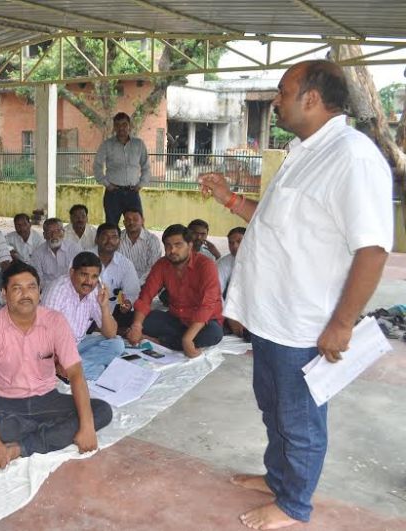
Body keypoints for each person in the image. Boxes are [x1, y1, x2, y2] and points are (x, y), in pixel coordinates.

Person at [199, 60, 392, 530]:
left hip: (304, 324)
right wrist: (228, 198)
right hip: (271, 317)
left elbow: (372, 249)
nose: (276, 101)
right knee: (274, 407)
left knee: (300, 418)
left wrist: (341, 324)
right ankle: (278, 478)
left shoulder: (352, 157)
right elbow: (274, 221)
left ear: (312, 98)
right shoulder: (303, 151)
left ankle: (294, 505)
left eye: (283, 91)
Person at [0, 261, 112, 467]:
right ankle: (55, 431)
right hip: (6, 402)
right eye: (17, 288)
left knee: (102, 411)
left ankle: (22, 447)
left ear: (40, 292)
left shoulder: (55, 321)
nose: (25, 294)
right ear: (4, 294)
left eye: (31, 287)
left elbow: (76, 373)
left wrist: (87, 425)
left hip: (47, 399)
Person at [127, 224, 223, 357]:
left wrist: (187, 339)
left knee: (214, 334)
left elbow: (207, 305)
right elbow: (146, 296)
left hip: (203, 322)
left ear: (190, 245)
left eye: (178, 245)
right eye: (168, 245)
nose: (172, 250)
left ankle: (161, 341)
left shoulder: (206, 265)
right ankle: (174, 340)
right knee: (142, 319)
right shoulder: (162, 264)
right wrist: (137, 326)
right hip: (176, 319)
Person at [42, 252, 123, 380]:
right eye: (84, 275)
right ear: (72, 273)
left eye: (94, 276)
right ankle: (77, 369)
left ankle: (78, 369)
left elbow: (111, 333)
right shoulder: (57, 290)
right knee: (100, 372)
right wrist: (57, 362)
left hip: (78, 345)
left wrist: (104, 306)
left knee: (117, 344)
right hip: (55, 351)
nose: (89, 282)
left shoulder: (94, 291)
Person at [94, 112, 151, 226]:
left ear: (129, 126)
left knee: (137, 226)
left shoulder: (138, 144)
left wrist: (141, 184)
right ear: (114, 127)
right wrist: (107, 184)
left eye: (124, 124)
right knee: (111, 227)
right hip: (113, 194)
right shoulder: (107, 145)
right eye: (118, 125)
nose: (121, 128)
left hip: (132, 193)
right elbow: (97, 166)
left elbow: (146, 166)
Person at [94, 223, 140, 331]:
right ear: (96, 239)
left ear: (119, 242)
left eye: (114, 237)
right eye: (105, 236)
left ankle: (111, 330)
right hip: (87, 309)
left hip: (112, 311)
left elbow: (131, 292)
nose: (109, 241)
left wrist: (127, 303)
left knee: (138, 318)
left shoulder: (125, 264)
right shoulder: (84, 257)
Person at [30, 218, 82, 288]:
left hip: (71, 288)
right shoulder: (37, 254)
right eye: (49, 232)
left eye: (57, 231)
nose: (54, 235)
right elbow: (37, 279)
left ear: (63, 232)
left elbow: (81, 273)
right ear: (44, 235)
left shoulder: (75, 249)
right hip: (48, 290)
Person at [118, 207, 163, 286]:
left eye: (135, 219)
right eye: (128, 219)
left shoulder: (152, 240)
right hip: (121, 284)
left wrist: (137, 284)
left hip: (146, 284)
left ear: (142, 221)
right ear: (124, 222)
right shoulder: (117, 239)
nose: (131, 222)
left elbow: (153, 268)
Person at [216, 227, 247, 339]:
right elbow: (216, 292)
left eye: (239, 241)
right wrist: (230, 317)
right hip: (231, 309)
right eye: (231, 243)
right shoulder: (224, 263)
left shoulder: (262, 261)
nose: (234, 246)